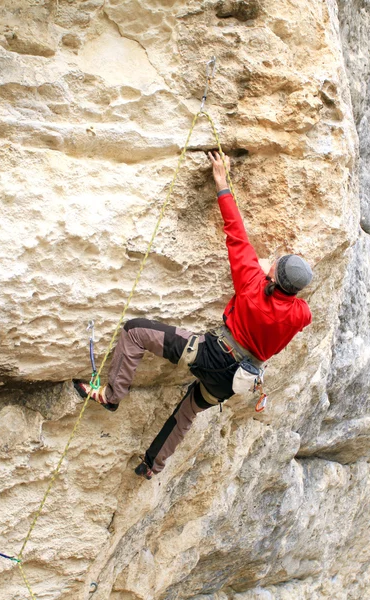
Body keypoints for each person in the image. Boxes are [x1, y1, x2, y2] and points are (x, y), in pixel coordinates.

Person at [74, 152, 313, 479]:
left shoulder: (251, 284)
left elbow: (236, 233)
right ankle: (151, 466)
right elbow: (292, 305)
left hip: (212, 354)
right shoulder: (300, 314)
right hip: (234, 382)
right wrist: (272, 279)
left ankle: (113, 395)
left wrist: (221, 182)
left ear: (273, 276)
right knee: (187, 412)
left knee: (134, 332)